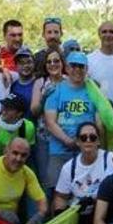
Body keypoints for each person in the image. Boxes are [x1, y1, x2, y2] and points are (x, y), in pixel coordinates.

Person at [53, 123, 113, 224]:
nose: (88, 140)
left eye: (92, 137)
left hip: (106, 210)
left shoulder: (110, 159)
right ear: (77, 141)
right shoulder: (68, 168)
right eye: (83, 137)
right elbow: (60, 197)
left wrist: (94, 199)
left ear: (98, 141)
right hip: (81, 214)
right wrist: (61, 217)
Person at [43, 52, 100, 195]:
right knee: (57, 192)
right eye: (73, 66)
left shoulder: (94, 91)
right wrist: (67, 141)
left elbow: (99, 121)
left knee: (85, 192)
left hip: (86, 150)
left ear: (86, 69)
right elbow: (50, 122)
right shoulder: (56, 90)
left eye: (81, 66)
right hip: (59, 151)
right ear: (67, 68)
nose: (77, 70)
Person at [31, 48, 65, 186]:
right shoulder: (41, 82)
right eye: (49, 62)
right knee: (46, 180)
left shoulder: (69, 81)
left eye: (56, 61)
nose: (53, 64)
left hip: (66, 137)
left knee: (65, 178)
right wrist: (44, 97)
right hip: (45, 138)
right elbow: (34, 111)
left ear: (62, 63)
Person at [0, 94, 35, 160]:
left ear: (19, 113)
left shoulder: (29, 127)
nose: (4, 111)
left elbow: (27, 152)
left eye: (9, 109)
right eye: (4, 106)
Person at [10, 46, 36, 118]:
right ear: (16, 66)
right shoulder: (13, 86)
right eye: (21, 63)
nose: (25, 65)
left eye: (29, 62)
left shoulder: (40, 84)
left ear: (34, 63)